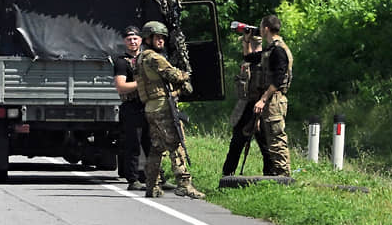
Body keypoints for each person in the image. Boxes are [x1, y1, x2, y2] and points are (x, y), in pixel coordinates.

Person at [136, 21, 205, 199]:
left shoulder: (141, 57)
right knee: (176, 145)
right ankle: (184, 184)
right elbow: (173, 74)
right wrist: (185, 76)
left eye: (162, 38)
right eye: (157, 37)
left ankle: (152, 186)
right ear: (148, 38)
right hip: (162, 107)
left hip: (151, 107)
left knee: (157, 148)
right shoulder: (154, 58)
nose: (161, 41)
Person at [247, 14, 293, 176]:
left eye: (260, 27)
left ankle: (284, 175)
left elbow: (279, 78)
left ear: (266, 28)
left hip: (274, 100)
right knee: (269, 138)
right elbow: (250, 58)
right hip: (270, 99)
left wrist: (263, 99)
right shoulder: (271, 48)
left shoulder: (278, 50)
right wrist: (247, 41)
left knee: (276, 139)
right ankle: (275, 173)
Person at [222, 34, 273, 176]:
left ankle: (271, 177)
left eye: (254, 43)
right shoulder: (246, 64)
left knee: (266, 145)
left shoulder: (266, 62)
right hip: (245, 108)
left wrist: (260, 110)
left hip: (262, 107)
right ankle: (227, 175)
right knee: (237, 143)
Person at [113, 26, 150, 191]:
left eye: (135, 38)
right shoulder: (121, 62)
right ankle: (133, 180)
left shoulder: (148, 59)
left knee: (152, 145)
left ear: (141, 40)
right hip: (131, 108)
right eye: (129, 39)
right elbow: (121, 86)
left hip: (149, 106)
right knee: (133, 145)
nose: (132, 42)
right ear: (124, 42)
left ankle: (157, 178)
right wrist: (142, 83)